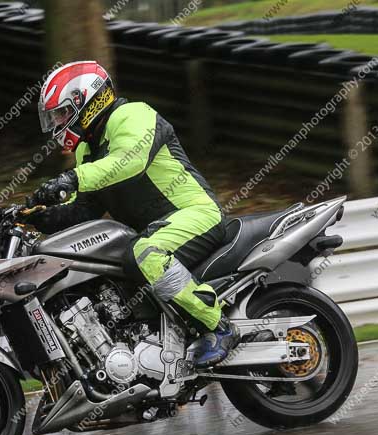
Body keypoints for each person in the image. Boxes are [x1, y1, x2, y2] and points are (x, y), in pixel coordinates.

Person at [27, 61, 237, 367]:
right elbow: (85, 209)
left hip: (196, 214)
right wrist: (35, 216)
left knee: (144, 252)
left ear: (84, 101)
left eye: (60, 113)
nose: (57, 123)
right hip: (160, 228)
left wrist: (72, 178)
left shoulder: (133, 114)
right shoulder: (88, 150)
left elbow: (129, 161)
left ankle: (218, 326)